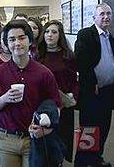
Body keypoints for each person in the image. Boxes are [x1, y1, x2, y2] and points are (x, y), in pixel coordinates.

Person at [0, 19, 61, 167]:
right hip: (5, 139)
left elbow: (56, 107)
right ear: (6, 44)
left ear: (30, 40)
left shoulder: (44, 73)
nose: (17, 43)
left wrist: (45, 131)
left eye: (21, 38)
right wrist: (5, 98)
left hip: (33, 138)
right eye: (12, 39)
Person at [74, 3, 114, 167]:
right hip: (92, 92)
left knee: (104, 127)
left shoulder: (110, 37)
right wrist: (92, 82)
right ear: (94, 17)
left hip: (108, 91)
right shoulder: (86, 34)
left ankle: (96, 158)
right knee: (89, 128)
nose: (106, 17)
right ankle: (82, 162)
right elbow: (80, 61)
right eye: (102, 14)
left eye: (109, 13)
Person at [37, 20, 79, 163]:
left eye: (54, 32)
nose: (50, 35)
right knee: (45, 140)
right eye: (47, 31)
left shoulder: (68, 56)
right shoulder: (38, 55)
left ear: (60, 35)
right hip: (44, 104)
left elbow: (74, 80)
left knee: (62, 139)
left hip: (64, 103)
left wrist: (73, 95)